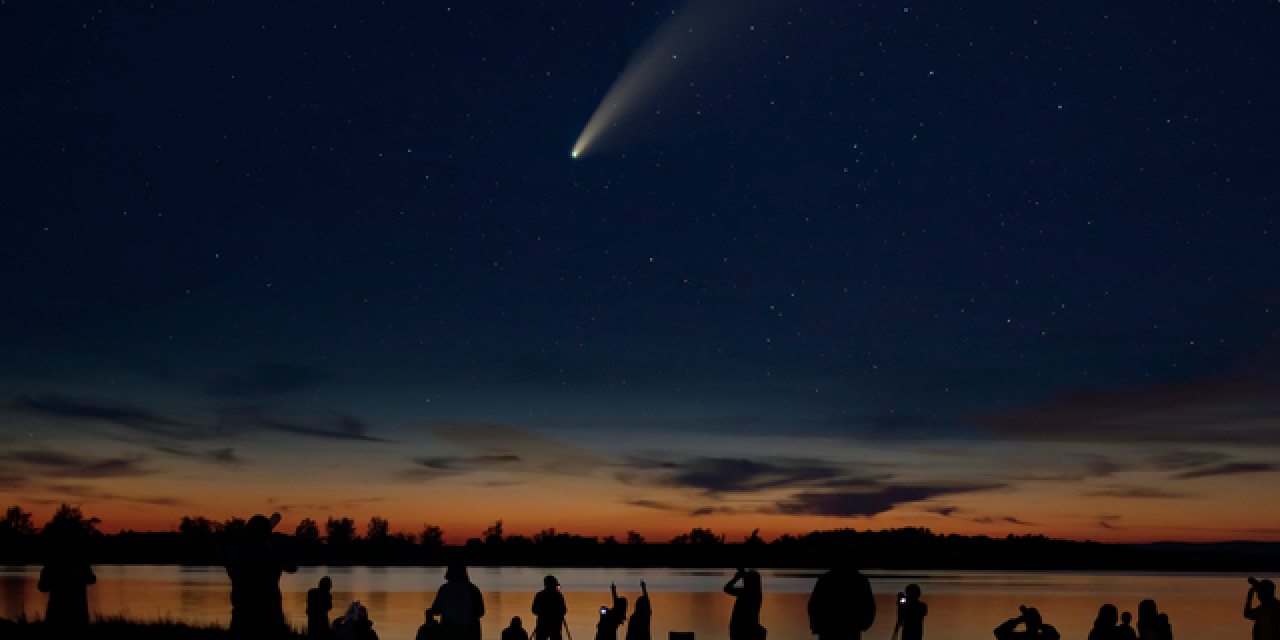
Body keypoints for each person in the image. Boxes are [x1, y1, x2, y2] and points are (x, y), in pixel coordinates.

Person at [225, 513, 297, 639]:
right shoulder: (271, 554)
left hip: (243, 613)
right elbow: (292, 566)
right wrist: (277, 545)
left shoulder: (238, 553)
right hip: (269, 614)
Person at [37, 526, 97, 628]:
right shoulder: (81, 561)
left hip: (56, 615)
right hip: (78, 615)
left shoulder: (52, 562)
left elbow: (42, 586)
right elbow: (91, 579)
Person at [808, 561, 876, 640]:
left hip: (829, 630)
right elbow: (868, 608)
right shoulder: (860, 580)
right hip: (851, 630)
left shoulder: (825, 580)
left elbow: (814, 606)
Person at [431, 564, 485, 640]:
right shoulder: (473, 589)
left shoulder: (445, 589)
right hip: (470, 632)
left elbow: (436, 609)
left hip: (449, 630)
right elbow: (481, 612)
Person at [725, 568, 766, 640]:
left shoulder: (744, 592)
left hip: (740, 629)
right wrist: (742, 575)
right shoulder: (756, 594)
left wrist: (737, 577)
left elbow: (727, 588)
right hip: (750, 628)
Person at [533, 575, 568, 640]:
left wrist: (542, 613)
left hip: (542, 625)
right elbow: (564, 610)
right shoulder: (558, 596)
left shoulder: (540, 595)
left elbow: (534, 610)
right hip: (555, 625)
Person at [993, 606, 1059, 640]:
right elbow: (1055, 635)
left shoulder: (1018, 637)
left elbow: (999, 631)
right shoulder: (1044, 637)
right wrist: (1040, 624)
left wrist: (1019, 619)